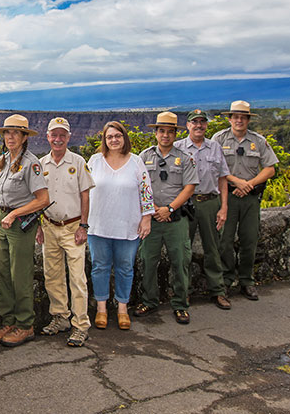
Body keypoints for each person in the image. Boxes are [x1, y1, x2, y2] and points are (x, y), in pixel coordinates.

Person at [0, 114, 50, 347]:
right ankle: (9, 321)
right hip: (2, 219)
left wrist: (15, 213)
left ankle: (25, 325)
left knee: (19, 274)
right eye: (7, 132)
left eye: (15, 133)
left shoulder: (31, 163)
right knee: (3, 272)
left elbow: (43, 199)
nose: (10, 137)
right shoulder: (2, 160)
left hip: (20, 223)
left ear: (24, 137)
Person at [86, 121, 155, 331]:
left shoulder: (136, 162)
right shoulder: (95, 161)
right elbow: (83, 190)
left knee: (125, 267)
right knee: (100, 267)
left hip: (128, 225)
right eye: (109, 137)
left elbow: (146, 190)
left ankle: (122, 308)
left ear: (124, 138)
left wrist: (146, 218)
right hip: (98, 224)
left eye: (117, 136)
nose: (114, 140)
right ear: (104, 140)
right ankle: (101, 308)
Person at [135, 112, 198, 324]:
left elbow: (189, 187)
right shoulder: (144, 157)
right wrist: (153, 209)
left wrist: (169, 209)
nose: (165, 135)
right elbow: (140, 185)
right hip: (151, 218)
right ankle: (149, 300)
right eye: (161, 131)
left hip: (176, 219)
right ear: (156, 133)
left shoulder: (185, 158)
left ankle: (180, 304)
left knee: (180, 262)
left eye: (170, 132)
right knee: (148, 261)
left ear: (175, 134)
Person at [211, 101, 278, 300]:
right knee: (225, 241)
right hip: (227, 195)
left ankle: (247, 280)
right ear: (230, 119)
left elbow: (270, 168)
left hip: (250, 198)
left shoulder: (258, 141)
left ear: (248, 119)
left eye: (243, 117)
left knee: (249, 240)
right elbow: (214, 167)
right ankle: (226, 279)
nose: (239, 120)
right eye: (235, 117)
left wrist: (248, 184)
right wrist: (236, 182)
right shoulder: (219, 139)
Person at [37, 117, 95, 347]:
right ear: (47, 136)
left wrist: (83, 225)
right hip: (50, 226)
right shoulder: (41, 164)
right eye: (54, 135)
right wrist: (40, 226)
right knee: (52, 275)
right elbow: (38, 198)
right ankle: (60, 317)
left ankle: (80, 325)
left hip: (73, 228)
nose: (58, 139)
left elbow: (85, 195)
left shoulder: (78, 162)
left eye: (63, 135)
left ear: (69, 137)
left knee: (77, 278)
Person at [175, 109, 232, 310]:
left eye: (202, 122)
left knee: (213, 249)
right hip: (186, 204)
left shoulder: (215, 147)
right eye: (194, 122)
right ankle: (184, 292)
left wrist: (223, 207)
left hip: (210, 202)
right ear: (187, 125)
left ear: (206, 125)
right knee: (184, 250)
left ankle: (218, 291)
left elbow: (223, 178)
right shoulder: (177, 148)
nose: (199, 125)